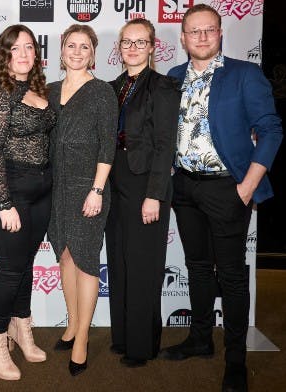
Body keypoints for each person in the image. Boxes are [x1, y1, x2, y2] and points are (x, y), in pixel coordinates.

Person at [159, 4, 283, 392]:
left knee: (230, 275)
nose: (201, 37)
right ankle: (199, 339)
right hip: (185, 186)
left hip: (227, 187)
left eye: (208, 30)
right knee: (196, 265)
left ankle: (235, 360)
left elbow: (271, 131)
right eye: (193, 32)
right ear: (182, 38)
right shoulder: (174, 76)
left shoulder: (245, 74)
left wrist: (247, 187)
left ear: (220, 33)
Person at [0, 24, 56, 381]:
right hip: (9, 188)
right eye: (15, 48)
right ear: (3, 55)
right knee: (10, 267)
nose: (24, 54)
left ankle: (21, 327)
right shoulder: (0, 91)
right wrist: (4, 202)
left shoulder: (37, 87)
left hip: (41, 189)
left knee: (25, 264)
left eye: (29, 47)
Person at [105, 18, 180, 368]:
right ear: (119, 49)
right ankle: (121, 337)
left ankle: (141, 346)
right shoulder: (114, 85)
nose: (132, 48)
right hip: (115, 181)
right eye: (126, 42)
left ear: (152, 47)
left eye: (140, 42)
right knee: (119, 260)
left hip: (146, 184)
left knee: (143, 265)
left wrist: (154, 193)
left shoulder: (162, 86)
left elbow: (165, 145)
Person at [47, 24, 117, 376]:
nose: (77, 52)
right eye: (71, 45)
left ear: (93, 53)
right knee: (65, 257)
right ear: (61, 50)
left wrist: (97, 190)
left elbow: (107, 147)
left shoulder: (102, 92)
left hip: (87, 188)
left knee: (86, 261)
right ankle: (72, 323)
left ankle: (82, 339)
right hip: (55, 189)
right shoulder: (48, 90)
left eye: (84, 47)